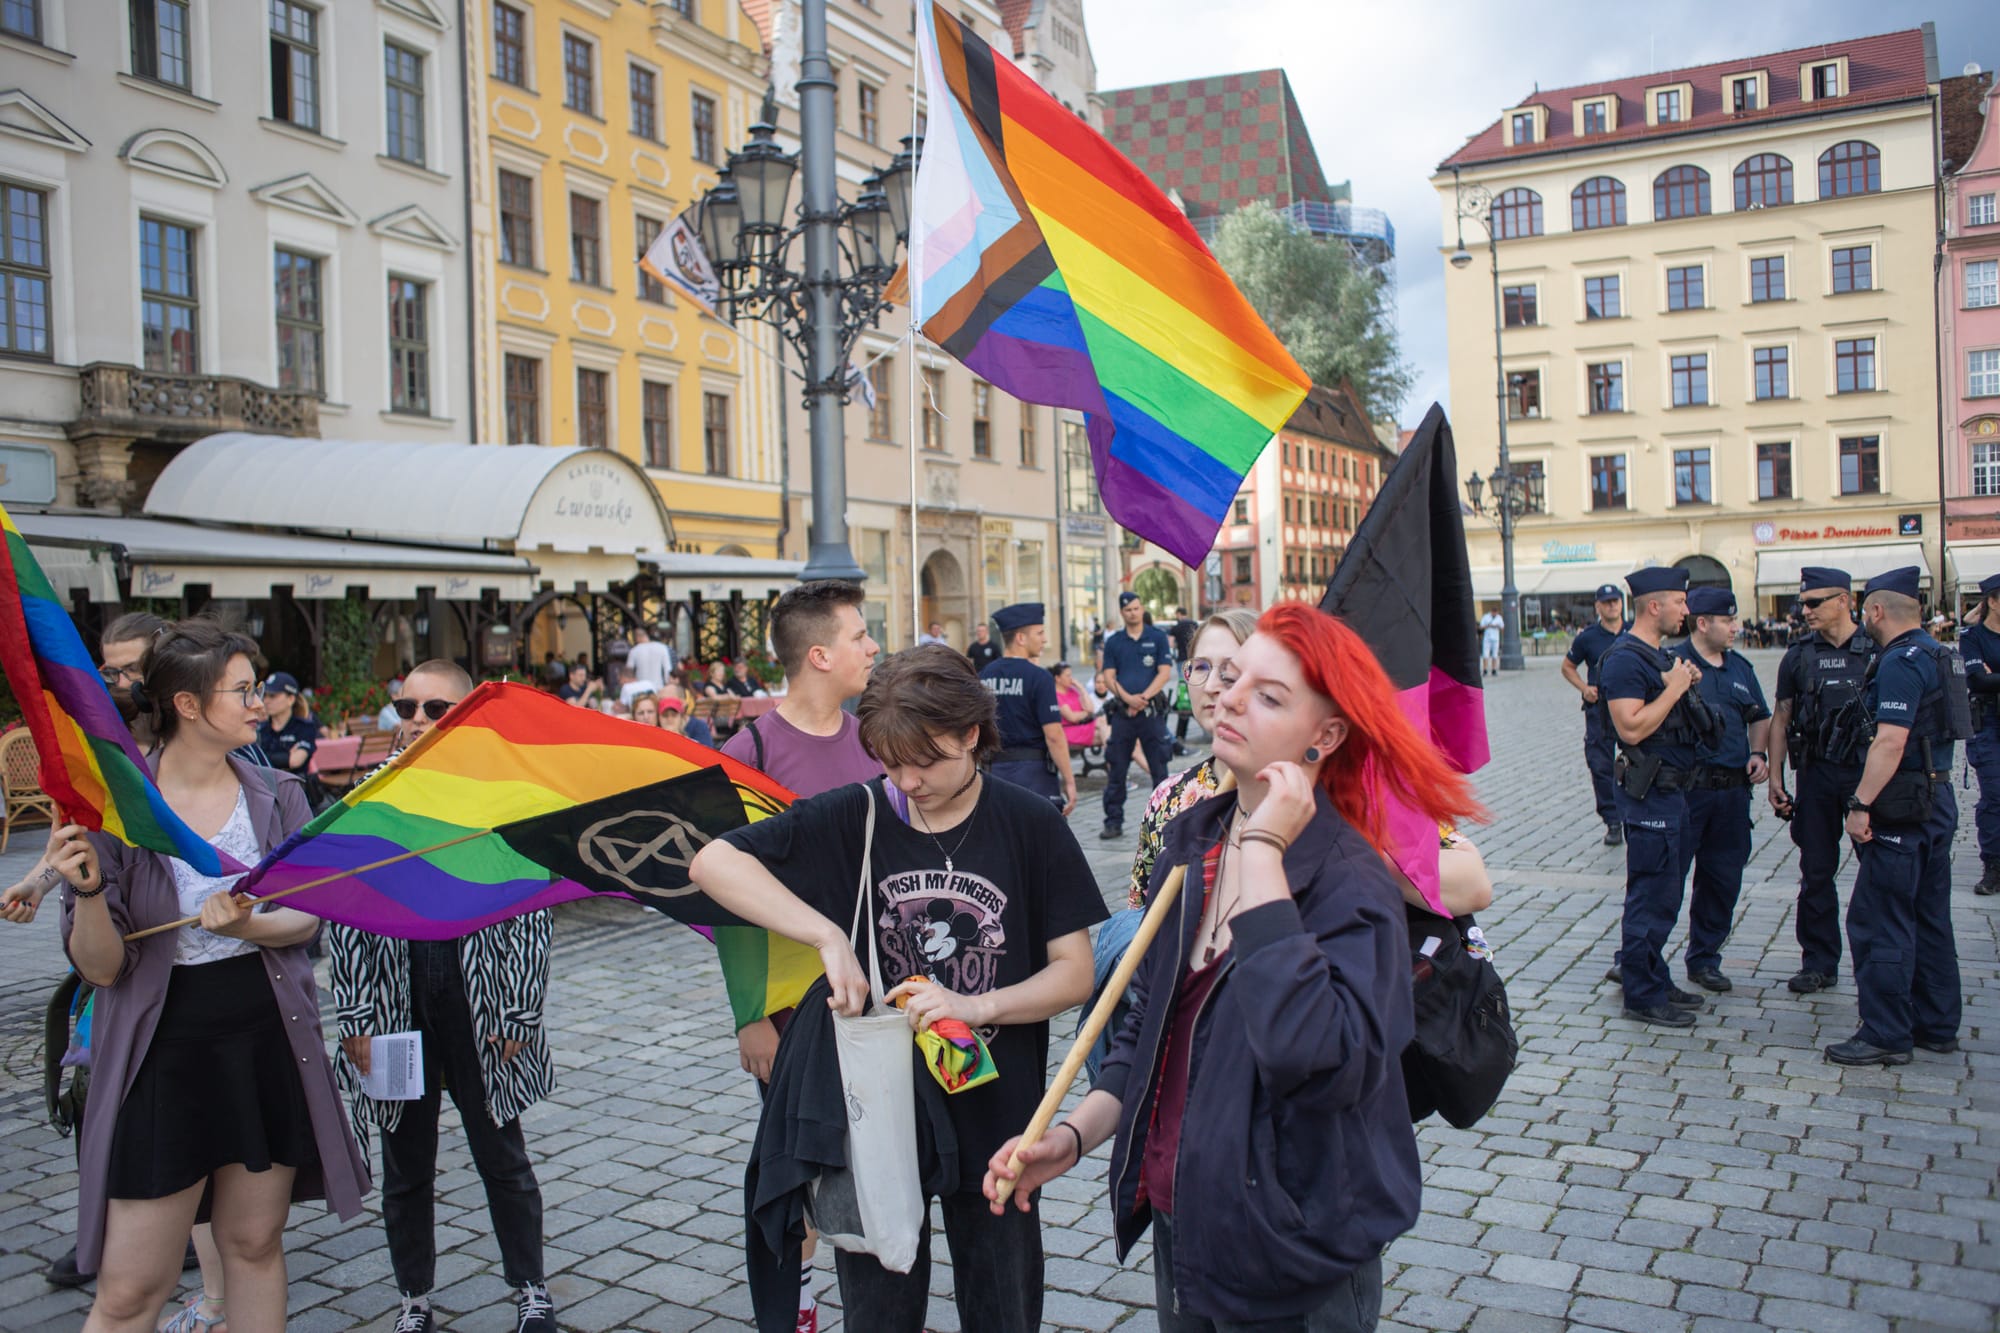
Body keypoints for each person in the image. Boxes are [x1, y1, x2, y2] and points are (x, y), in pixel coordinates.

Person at [981, 604, 1481, 1332]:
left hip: (1294, 1254)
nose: (1230, 696)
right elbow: (1143, 1037)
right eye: (1233, 676)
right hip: (1188, 1226)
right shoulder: (1191, 845)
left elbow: (1314, 1058)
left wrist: (1266, 855)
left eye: (1271, 695)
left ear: (1327, 734)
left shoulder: (1351, 879)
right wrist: (1073, 1136)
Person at [692, 645, 1105, 1333]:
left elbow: (1077, 971)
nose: (909, 780)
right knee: (880, 1313)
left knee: (1002, 1307)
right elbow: (713, 862)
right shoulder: (858, 814)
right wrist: (826, 934)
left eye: (928, 759)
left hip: (996, 1113)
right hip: (875, 1116)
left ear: (972, 733)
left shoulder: (1029, 823)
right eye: (890, 760)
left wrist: (976, 1005)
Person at [53, 617, 368, 1333]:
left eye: (256, 688)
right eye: (243, 690)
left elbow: (305, 920)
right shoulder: (119, 806)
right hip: (161, 1050)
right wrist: (93, 891)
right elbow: (102, 968)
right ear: (189, 704)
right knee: (132, 1287)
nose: (259, 702)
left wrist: (248, 924)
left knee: (254, 1243)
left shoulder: (277, 795)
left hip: (263, 1036)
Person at [329, 660, 558, 1333]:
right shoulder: (367, 801)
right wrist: (358, 1017)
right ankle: (414, 1298)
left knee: (502, 1156)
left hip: (479, 1000)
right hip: (396, 1004)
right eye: (407, 707)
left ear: (470, 714)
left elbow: (531, 911)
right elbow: (343, 920)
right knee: (405, 1162)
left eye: (437, 708)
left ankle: (530, 1286)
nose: (419, 721)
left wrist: (517, 1007)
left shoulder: (498, 799)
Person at [716, 579, 881, 1333]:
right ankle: (803, 1305)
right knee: (801, 1159)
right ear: (819, 654)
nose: (873, 646)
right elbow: (726, 901)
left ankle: (876, 1301)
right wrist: (752, 1015)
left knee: (875, 1154)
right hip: (787, 997)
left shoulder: (877, 737)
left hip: (876, 987)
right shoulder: (748, 750)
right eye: (860, 635)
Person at [1829, 567, 1966, 1065]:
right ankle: (1936, 1023)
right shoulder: (1939, 653)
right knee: (1930, 917)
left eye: (1866, 609)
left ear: (1877, 611)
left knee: (1879, 919)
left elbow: (1891, 739)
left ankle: (1886, 1032)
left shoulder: (1900, 662)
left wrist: (1861, 803)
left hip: (1903, 805)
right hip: (1937, 797)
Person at [1601, 566, 1716, 1028]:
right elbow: (1630, 726)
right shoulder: (1625, 659)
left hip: (1675, 793)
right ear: (1655, 606)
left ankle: (1652, 973)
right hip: (1650, 797)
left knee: (1666, 894)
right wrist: (1674, 689)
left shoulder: (1657, 655)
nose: (1686, 611)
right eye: (1680, 602)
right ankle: (1641, 994)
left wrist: (1681, 686)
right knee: (1650, 895)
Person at [1767, 568, 1876, 995]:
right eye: (1802, 603)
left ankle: (1880, 961)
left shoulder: (1876, 650)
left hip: (1864, 775)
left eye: (1814, 602)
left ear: (1845, 601)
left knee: (1877, 871)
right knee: (1815, 873)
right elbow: (1781, 718)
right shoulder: (1797, 655)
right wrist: (1775, 777)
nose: (1805, 610)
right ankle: (1818, 962)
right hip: (1815, 774)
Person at [1125, 609, 1260, 910]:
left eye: (1230, 669)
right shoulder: (1168, 796)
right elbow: (1140, 907)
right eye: (1200, 667)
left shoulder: (1298, 795)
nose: (1211, 685)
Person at [1672, 585, 1771, 995]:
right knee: (1664, 879)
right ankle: (1637, 961)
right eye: (1728, 621)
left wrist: (1760, 753)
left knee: (1722, 879)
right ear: (1702, 623)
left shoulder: (1740, 669)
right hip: (1685, 792)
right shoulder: (1673, 663)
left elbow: (1760, 715)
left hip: (1731, 794)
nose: (1736, 627)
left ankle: (1704, 959)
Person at [980, 603, 1076, 815]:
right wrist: (1069, 779)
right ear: (1021, 638)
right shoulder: (1039, 677)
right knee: (1043, 841)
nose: (1045, 639)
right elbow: (1054, 736)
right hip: (1034, 774)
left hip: (995, 772)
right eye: (1039, 633)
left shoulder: (986, 675)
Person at [1095, 591, 1175, 841]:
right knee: (1117, 769)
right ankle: (1113, 821)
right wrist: (1128, 699)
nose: (1133, 613)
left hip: (1150, 714)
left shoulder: (1157, 637)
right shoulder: (1115, 641)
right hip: (1123, 715)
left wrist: (1143, 699)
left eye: (1137, 608)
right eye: (1128, 609)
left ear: (1142, 609)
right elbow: (1108, 676)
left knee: (1159, 768)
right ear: (1122, 613)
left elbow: (1164, 673)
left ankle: (1164, 822)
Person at [1561, 585, 1628, 847]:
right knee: (1600, 765)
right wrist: (1584, 688)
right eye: (1606, 602)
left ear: (1622, 604)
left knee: (1641, 761)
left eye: (1615, 601)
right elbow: (1567, 667)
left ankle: (1638, 813)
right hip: (1599, 709)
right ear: (1597, 607)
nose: (1612, 606)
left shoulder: (1634, 632)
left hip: (1633, 706)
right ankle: (1613, 820)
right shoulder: (1588, 638)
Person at [1956, 575, 2000, 895]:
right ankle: (1994, 865)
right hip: (1988, 724)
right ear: (1993, 602)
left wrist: (1993, 674)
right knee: (1995, 796)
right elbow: (1978, 681)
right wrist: (1986, 678)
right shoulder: (1972, 637)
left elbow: (1989, 678)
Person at [254, 671, 319, 776]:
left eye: (273, 696)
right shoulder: (260, 728)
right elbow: (250, 762)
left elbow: (295, 761)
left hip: (296, 787)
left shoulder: (304, 727)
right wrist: (286, 757)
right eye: (265, 695)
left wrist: (262, 757)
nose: (266, 700)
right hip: (266, 787)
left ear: (290, 699)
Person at [1053, 662, 1107, 756]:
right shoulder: (1056, 696)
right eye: (1068, 676)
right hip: (1069, 732)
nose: (1071, 678)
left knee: (1106, 727)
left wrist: (1081, 687)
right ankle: (1113, 762)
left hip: (1081, 727)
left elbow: (1090, 708)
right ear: (1058, 678)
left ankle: (1113, 761)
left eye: (1071, 675)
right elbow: (1072, 717)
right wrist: (1086, 713)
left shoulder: (1072, 690)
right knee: (1109, 734)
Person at [1166, 607, 1199, 752]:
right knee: (1193, 682)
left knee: (1183, 683)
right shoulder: (1193, 624)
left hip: (1181, 659)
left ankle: (1185, 701)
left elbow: (1171, 644)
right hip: (1193, 657)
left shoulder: (1176, 627)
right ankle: (1192, 699)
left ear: (1178, 614)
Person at [1479, 607, 1504, 676]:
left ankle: (1494, 669)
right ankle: (1485, 669)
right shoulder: (1486, 617)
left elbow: (1502, 628)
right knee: (1485, 654)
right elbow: (1481, 627)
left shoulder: (1499, 618)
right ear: (1491, 611)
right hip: (1487, 638)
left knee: (1495, 654)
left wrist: (1496, 626)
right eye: (1493, 612)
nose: (1494, 613)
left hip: (1495, 638)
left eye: (1496, 612)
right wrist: (1488, 626)